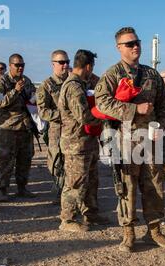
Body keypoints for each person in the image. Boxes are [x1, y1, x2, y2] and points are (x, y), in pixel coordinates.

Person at [95, 27, 165, 253]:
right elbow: (102, 103)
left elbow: (164, 106)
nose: (135, 47)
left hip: (152, 140)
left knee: (155, 185)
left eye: (137, 42)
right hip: (126, 140)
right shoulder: (112, 75)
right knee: (127, 186)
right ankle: (128, 231)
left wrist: (162, 126)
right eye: (129, 44)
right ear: (119, 48)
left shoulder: (152, 75)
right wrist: (133, 108)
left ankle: (154, 230)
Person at [57, 49, 109, 232]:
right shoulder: (73, 86)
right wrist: (105, 117)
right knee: (75, 182)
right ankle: (68, 219)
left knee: (92, 180)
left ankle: (90, 213)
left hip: (87, 142)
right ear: (88, 66)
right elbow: (83, 116)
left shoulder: (80, 83)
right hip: (76, 144)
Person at [0, 54, 36, 201]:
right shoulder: (1, 82)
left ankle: (22, 188)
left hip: (25, 127)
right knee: (6, 161)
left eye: (22, 65)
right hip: (8, 128)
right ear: (10, 65)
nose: (20, 68)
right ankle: (2, 190)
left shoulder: (27, 81)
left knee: (25, 159)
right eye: (17, 65)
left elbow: (32, 98)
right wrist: (15, 91)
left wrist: (34, 100)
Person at [37, 50, 70, 203]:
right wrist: (63, 115)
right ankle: (58, 189)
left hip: (73, 131)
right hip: (57, 130)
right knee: (56, 161)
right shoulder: (46, 85)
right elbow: (43, 111)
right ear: (53, 64)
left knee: (72, 161)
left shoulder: (73, 83)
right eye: (61, 62)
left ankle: (67, 193)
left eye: (67, 62)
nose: (65, 65)